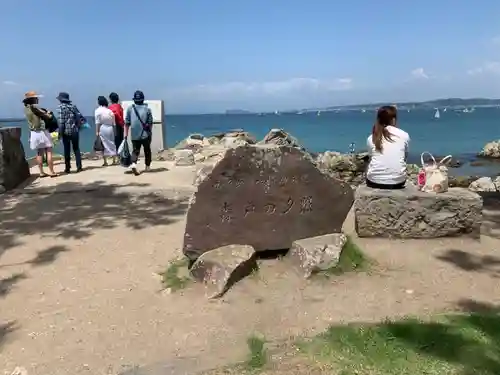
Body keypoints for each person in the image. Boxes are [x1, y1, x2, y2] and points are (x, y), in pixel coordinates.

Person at [366, 105, 409, 189]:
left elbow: (371, 158)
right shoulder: (404, 135)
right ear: (393, 119)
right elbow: (405, 157)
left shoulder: (371, 138)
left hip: (374, 181)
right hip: (398, 182)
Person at [22, 91, 57, 177]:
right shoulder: (35, 108)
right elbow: (48, 117)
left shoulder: (26, 109)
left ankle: (41, 172)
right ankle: (52, 172)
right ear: (32, 99)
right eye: (36, 98)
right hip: (43, 132)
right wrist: (49, 113)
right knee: (48, 151)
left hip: (34, 133)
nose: (37, 99)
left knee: (39, 153)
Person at [124, 90, 153, 175]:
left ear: (134, 100)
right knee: (147, 150)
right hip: (145, 134)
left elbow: (127, 123)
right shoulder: (147, 109)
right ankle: (147, 167)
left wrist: (125, 135)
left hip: (134, 134)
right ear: (143, 99)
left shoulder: (130, 109)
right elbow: (150, 122)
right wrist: (149, 132)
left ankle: (133, 164)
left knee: (135, 151)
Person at [56, 92, 84, 173]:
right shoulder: (73, 106)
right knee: (76, 149)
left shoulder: (61, 107)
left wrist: (59, 134)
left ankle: (67, 168)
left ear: (61, 99)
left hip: (66, 132)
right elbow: (79, 118)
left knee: (67, 149)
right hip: (75, 131)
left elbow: (61, 123)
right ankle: (79, 167)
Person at [95, 96, 117, 166]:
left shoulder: (98, 110)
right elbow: (114, 123)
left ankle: (105, 161)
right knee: (112, 143)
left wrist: (97, 131)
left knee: (103, 144)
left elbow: (97, 122)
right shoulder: (109, 110)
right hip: (110, 128)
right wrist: (115, 131)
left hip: (103, 127)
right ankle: (114, 160)